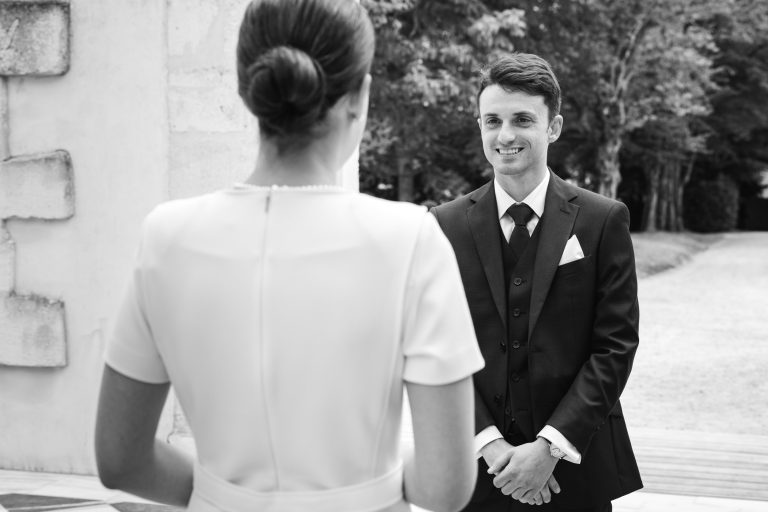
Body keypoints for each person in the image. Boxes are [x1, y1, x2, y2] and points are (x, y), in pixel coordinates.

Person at [94, 1, 484, 511]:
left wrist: (226, 495)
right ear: (360, 96)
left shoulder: (166, 236)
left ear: (247, 87)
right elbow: (445, 486)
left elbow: (120, 460)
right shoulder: (411, 239)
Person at [431, 53, 643, 511]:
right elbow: (437, 348)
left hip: (574, 469)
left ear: (553, 127)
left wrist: (549, 449)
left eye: (522, 119)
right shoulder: (443, 225)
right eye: (492, 121)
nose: (505, 135)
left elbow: (615, 346)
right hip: (478, 471)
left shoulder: (603, 219)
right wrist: (491, 446)